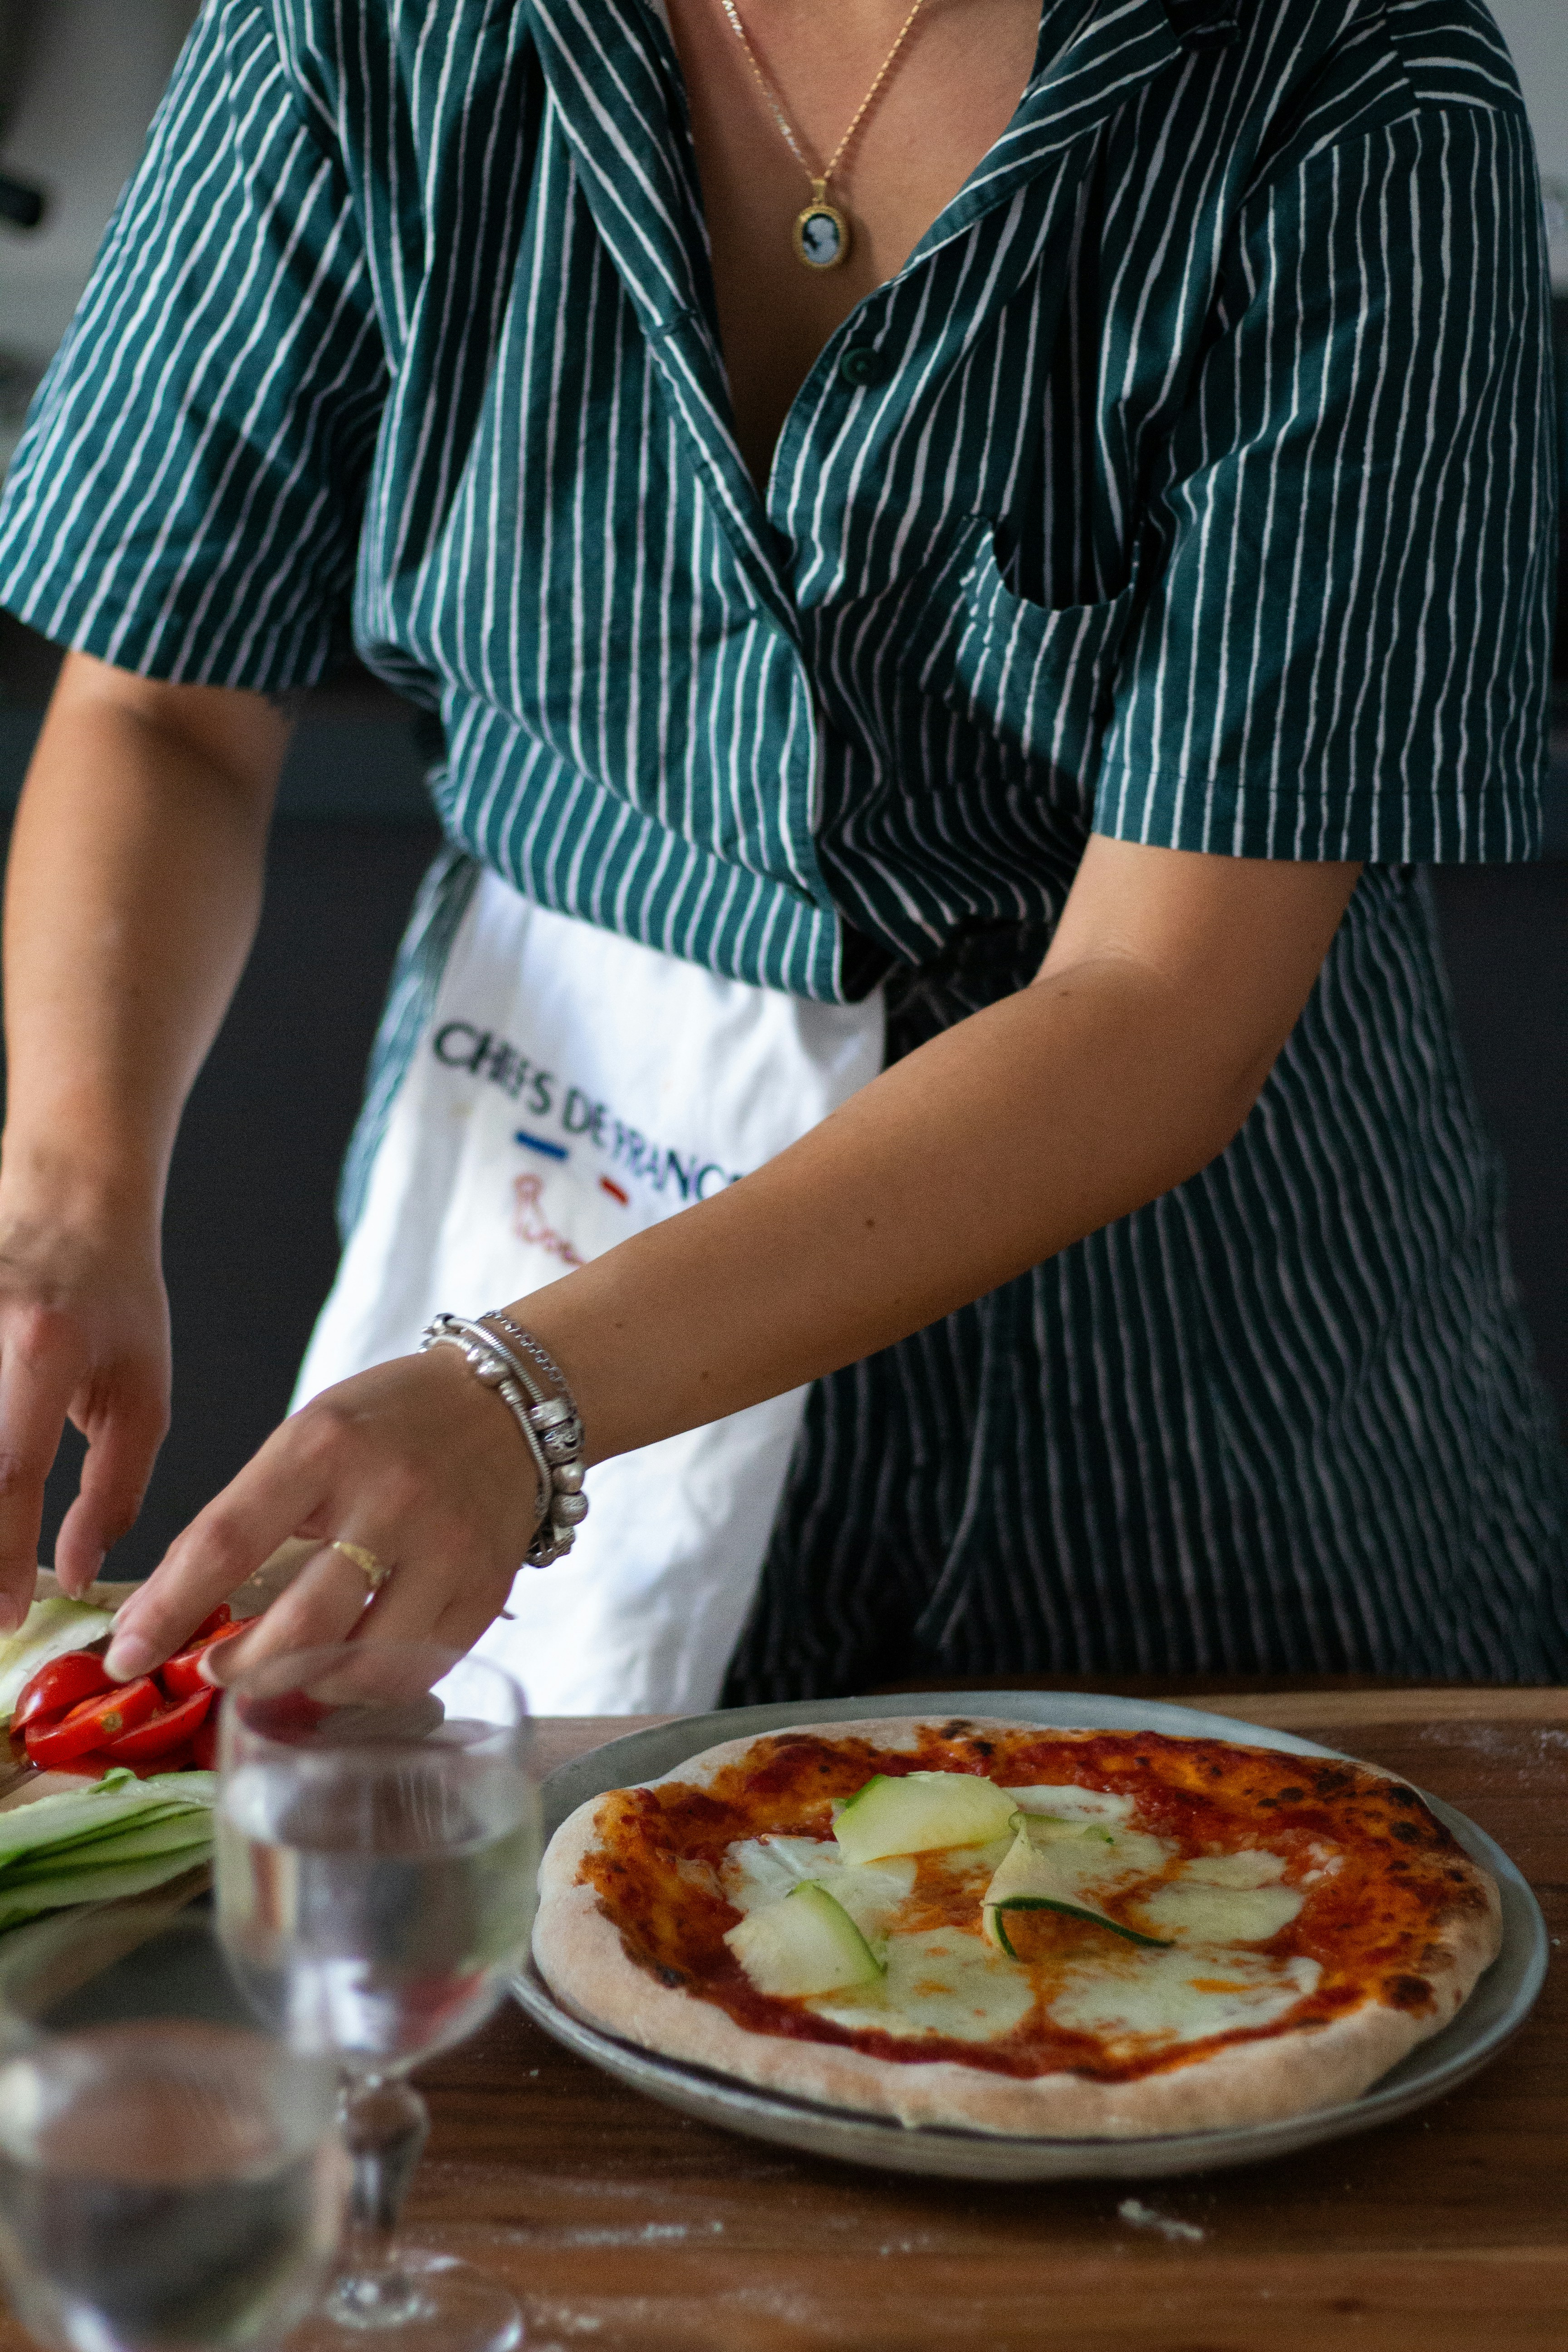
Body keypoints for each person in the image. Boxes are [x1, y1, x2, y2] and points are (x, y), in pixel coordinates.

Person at [0, 0, 1561, 1711]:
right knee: (485, 1929)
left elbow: (1158, 994)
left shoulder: (1358, 90)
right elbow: (167, 707)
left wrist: (524, 1399)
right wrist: (69, 1198)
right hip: (546, 1162)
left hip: (1192, 1372)